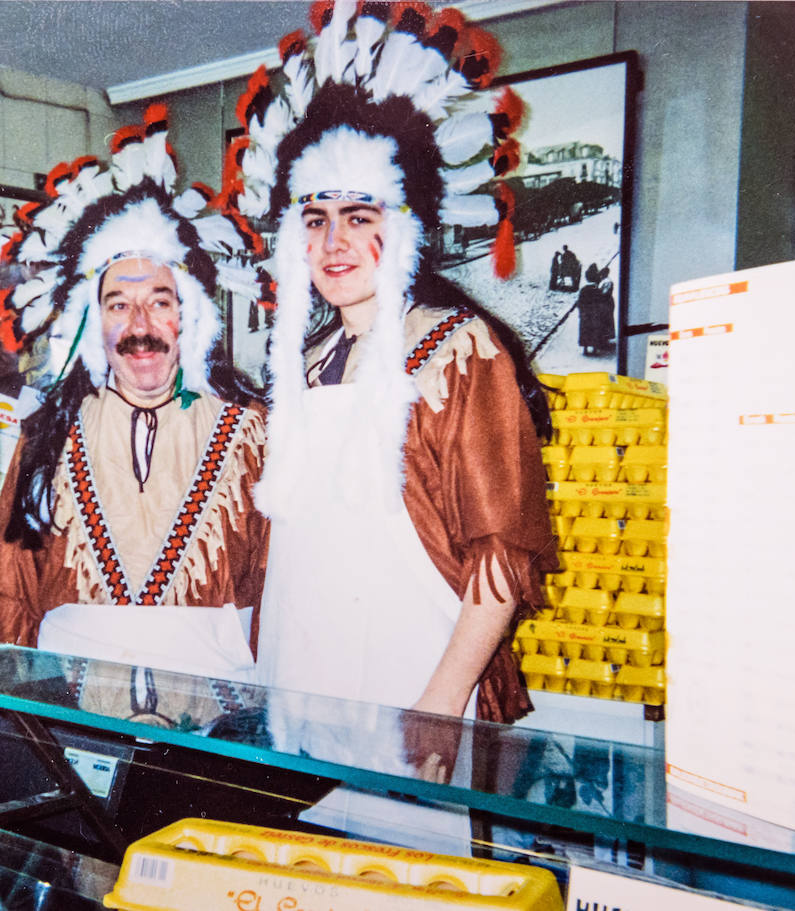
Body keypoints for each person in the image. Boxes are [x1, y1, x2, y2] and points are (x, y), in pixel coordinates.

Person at [226, 1, 555, 726]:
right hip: (298, 680)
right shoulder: (302, 365)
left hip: (415, 689)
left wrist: (440, 706)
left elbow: (499, 562)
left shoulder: (461, 351)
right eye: (315, 220)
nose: (334, 242)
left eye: (360, 216)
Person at [0, 107, 270, 685]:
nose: (140, 325)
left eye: (160, 302)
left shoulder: (253, 432)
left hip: (217, 720)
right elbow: (11, 585)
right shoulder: (46, 433)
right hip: (73, 706)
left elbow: (280, 584)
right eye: (119, 304)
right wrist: (16, 704)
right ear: (95, 323)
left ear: (189, 316)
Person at [576, 263, 616, 356]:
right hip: (594, 314)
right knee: (594, 330)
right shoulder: (596, 290)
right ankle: (594, 349)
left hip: (585, 314)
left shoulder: (583, 290)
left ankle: (585, 349)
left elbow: (580, 303)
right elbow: (599, 301)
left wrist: (581, 312)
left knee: (585, 330)